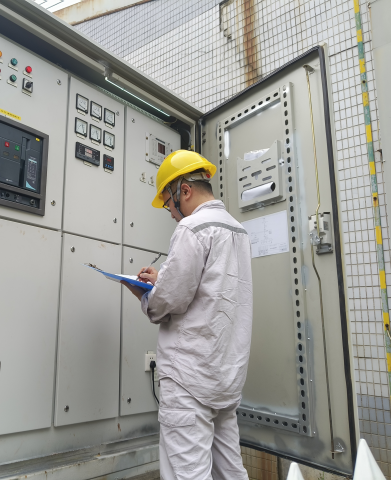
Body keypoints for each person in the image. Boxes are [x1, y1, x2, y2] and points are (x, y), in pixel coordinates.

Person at [122, 150, 253, 480]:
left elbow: (168, 302)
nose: (170, 212)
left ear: (184, 190)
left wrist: (145, 295)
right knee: (230, 470)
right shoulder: (237, 230)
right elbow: (212, 289)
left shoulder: (191, 228)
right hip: (225, 377)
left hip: (189, 379)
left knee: (188, 473)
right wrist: (163, 278)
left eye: (168, 203)